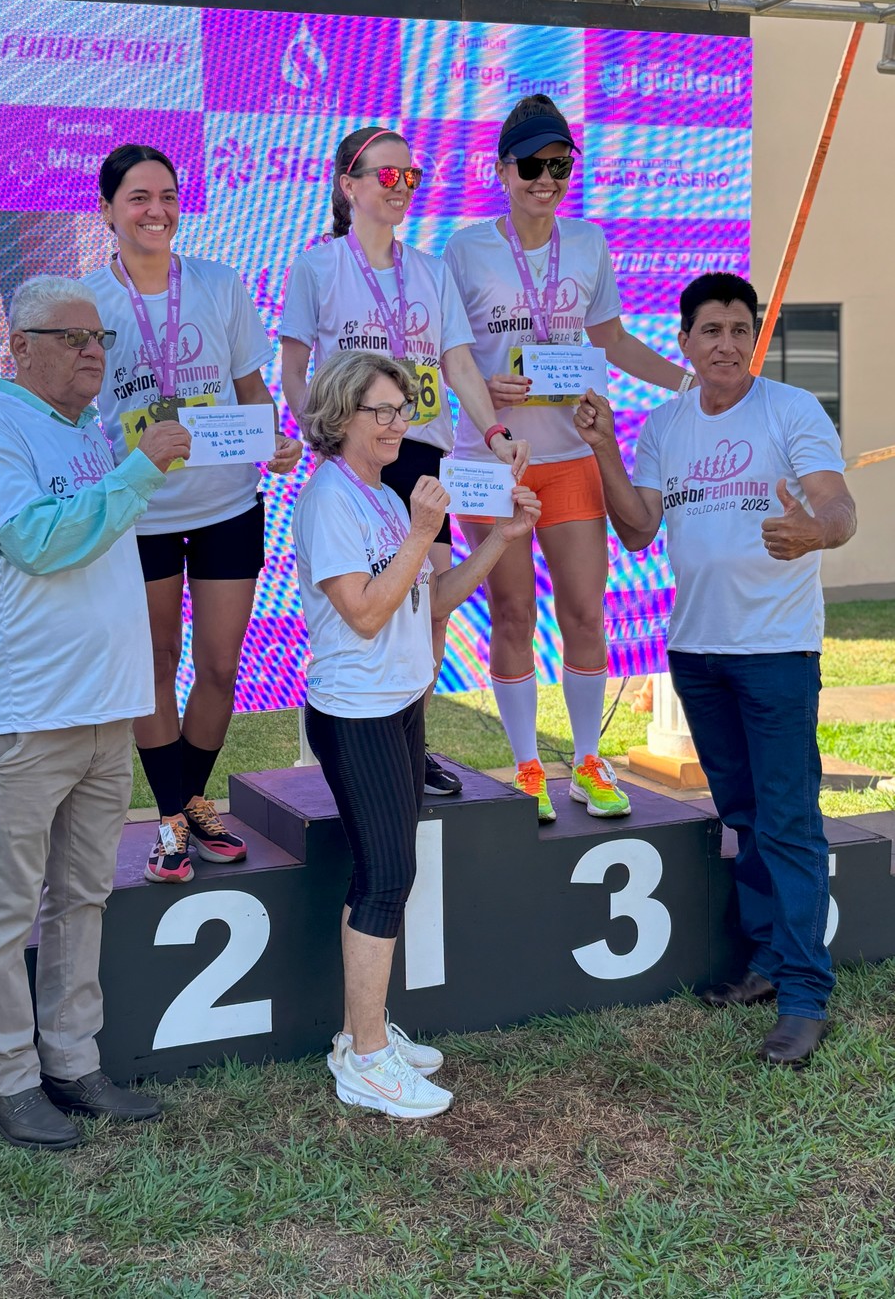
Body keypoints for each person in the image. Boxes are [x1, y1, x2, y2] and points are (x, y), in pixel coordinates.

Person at [575, 271, 856, 1067]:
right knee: (742, 815)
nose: (726, 344)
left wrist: (813, 530)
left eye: (740, 329)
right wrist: (600, 447)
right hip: (696, 652)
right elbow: (635, 531)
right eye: (710, 331)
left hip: (775, 651)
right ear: (686, 344)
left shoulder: (791, 411)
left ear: (752, 338)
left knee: (790, 820)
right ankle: (767, 960)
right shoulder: (663, 425)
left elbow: (839, 507)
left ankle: (804, 996)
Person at [0, 274, 191, 1149]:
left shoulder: (86, 432)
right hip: (24, 713)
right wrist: (138, 468)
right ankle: (6, 1080)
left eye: (102, 342)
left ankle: (73, 1062)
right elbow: (38, 542)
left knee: (82, 896)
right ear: (19, 346)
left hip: (102, 710)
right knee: (8, 908)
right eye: (74, 339)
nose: (95, 353)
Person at [293, 351, 540, 1116]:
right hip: (355, 710)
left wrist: (498, 540)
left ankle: (361, 1037)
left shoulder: (382, 497)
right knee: (386, 874)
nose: (402, 423)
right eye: (385, 411)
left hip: (398, 702)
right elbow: (364, 612)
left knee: (389, 871)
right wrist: (422, 530)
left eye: (404, 409)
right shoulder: (328, 499)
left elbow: (428, 602)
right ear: (342, 418)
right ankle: (365, 1059)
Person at [443, 94, 693, 823]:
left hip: (571, 455)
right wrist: (485, 386)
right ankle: (526, 764)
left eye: (559, 165)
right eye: (531, 166)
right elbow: (442, 351)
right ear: (502, 170)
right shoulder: (465, 249)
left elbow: (610, 341)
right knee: (513, 612)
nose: (545, 180)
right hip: (492, 464)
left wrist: (689, 383)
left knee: (585, 612)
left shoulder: (586, 243)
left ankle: (586, 759)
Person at [280, 125, 529, 799]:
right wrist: (317, 432)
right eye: (387, 176)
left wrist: (496, 433)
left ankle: (409, 738)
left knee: (429, 604)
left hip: (420, 449)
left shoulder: (429, 269)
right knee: (355, 604)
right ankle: (335, 744)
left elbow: (456, 365)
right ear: (349, 185)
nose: (401, 189)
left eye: (411, 178)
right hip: (354, 453)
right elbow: (294, 366)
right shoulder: (318, 266)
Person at [86, 144, 302, 885]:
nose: (156, 210)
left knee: (216, 665)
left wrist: (271, 438)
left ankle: (192, 801)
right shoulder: (90, 304)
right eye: (139, 197)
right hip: (139, 511)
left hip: (225, 504)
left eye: (168, 195)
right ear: (108, 209)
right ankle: (171, 819)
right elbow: (81, 416)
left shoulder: (216, 284)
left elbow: (249, 385)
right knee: (154, 665)